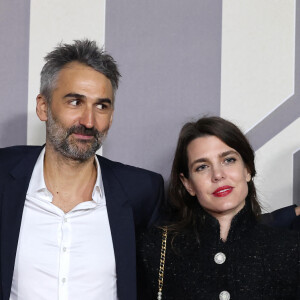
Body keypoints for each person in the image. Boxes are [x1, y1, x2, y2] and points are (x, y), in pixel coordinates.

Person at [0, 39, 164, 300]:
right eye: (75, 102)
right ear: (43, 107)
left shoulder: (142, 192)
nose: (89, 121)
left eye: (101, 106)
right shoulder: (3, 176)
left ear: (111, 116)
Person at [137, 116, 300, 300]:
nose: (218, 175)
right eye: (202, 167)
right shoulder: (156, 248)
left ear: (247, 169)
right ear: (188, 183)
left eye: (228, 160)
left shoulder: (290, 248)